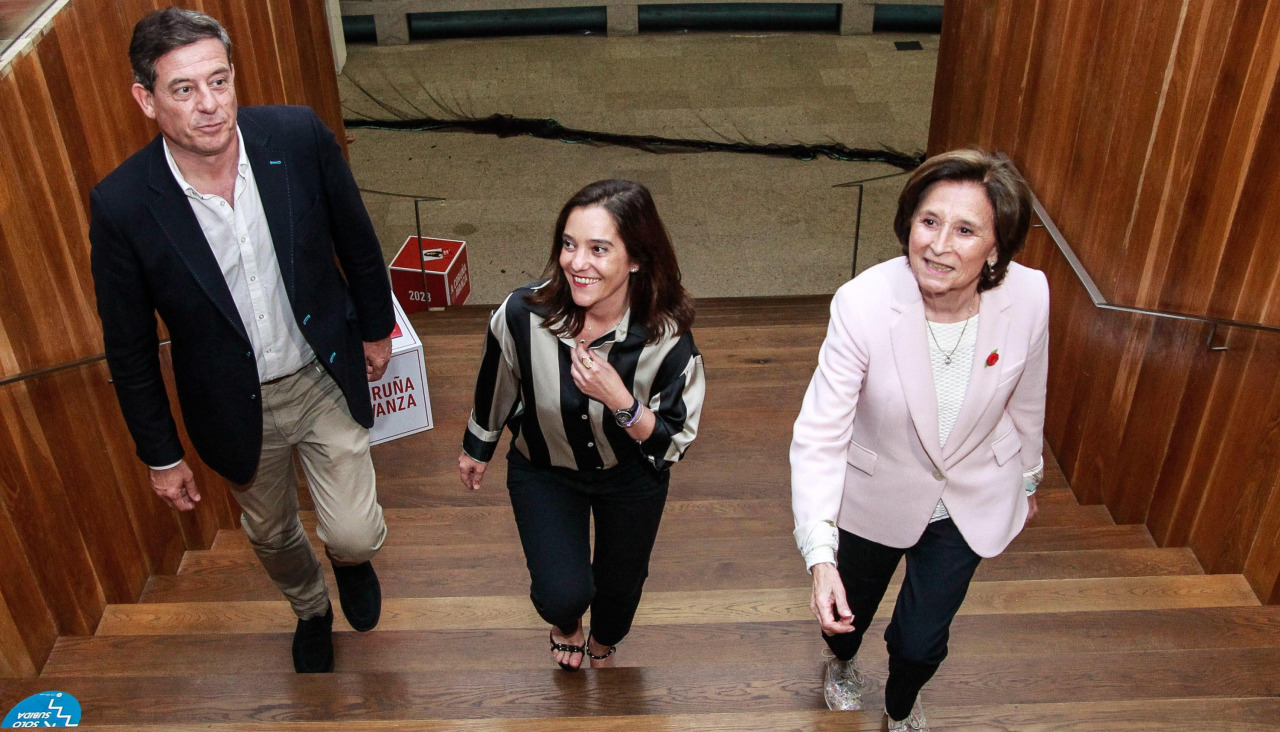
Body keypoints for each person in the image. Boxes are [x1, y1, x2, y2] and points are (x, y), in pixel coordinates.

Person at [89, 8, 395, 674]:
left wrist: (376, 326)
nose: (209, 105)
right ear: (146, 99)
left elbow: (356, 238)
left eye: (219, 81)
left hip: (322, 373)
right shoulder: (121, 205)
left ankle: (349, 562)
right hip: (232, 404)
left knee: (353, 528)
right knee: (272, 533)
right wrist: (161, 455)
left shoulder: (297, 135)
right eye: (184, 89)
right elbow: (130, 347)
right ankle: (310, 608)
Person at [790, 150, 1048, 730]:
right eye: (929, 222)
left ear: (997, 248)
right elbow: (820, 432)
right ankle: (842, 665)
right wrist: (819, 554)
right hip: (873, 494)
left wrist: (1028, 478)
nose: (938, 245)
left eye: (965, 230)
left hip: (971, 495)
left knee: (920, 641)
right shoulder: (861, 303)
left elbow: (1029, 394)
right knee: (844, 617)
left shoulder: (1030, 296)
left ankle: (902, 705)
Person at [458, 179, 705, 670]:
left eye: (598, 249)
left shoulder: (667, 335)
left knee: (619, 595)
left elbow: (673, 440)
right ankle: (566, 623)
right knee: (561, 594)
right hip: (544, 469)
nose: (576, 262)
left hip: (632, 475)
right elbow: (498, 380)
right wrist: (477, 447)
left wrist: (620, 399)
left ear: (636, 258)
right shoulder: (521, 314)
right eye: (569, 245)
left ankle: (605, 634)